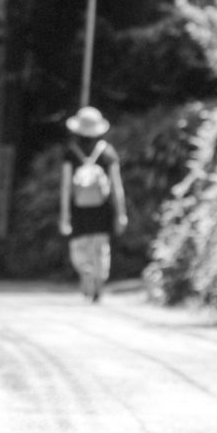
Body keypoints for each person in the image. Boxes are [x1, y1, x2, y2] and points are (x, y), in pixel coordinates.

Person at [57, 106, 127, 302]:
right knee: (101, 248)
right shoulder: (108, 152)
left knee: (79, 248)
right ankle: (98, 280)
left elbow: (65, 187)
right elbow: (117, 186)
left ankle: (86, 271)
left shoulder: (70, 153)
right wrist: (121, 213)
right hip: (102, 209)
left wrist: (64, 216)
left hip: (79, 209)